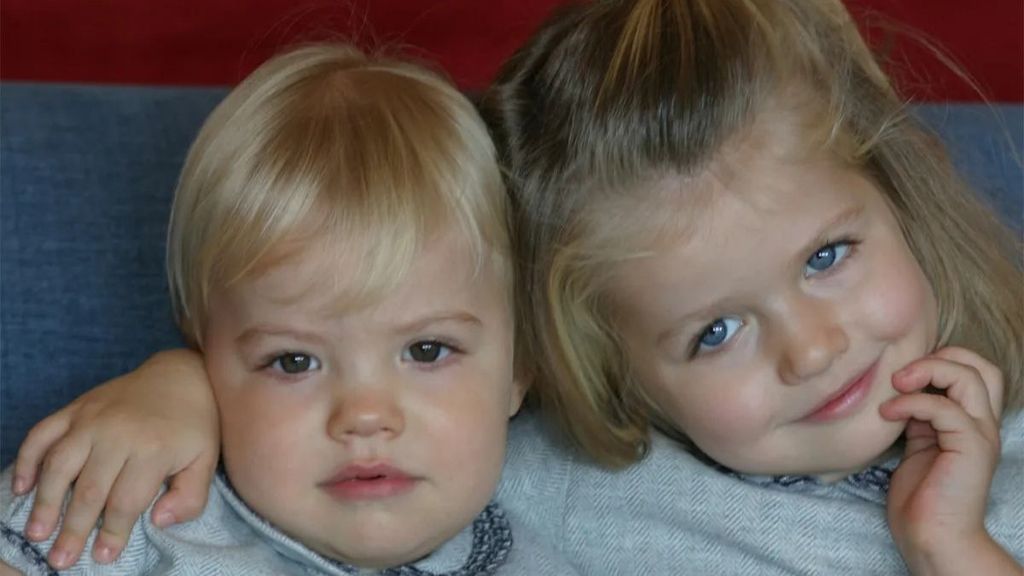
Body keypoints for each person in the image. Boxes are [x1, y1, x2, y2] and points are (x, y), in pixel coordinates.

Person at [8, 0, 1024, 574]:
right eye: (713, 330)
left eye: (827, 256)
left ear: (899, 191)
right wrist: (184, 383)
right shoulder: (570, 483)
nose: (811, 350)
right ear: (592, 369)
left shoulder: (1007, 464)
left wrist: (953, 546)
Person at [0, 41, 576, 575]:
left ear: (521, 365)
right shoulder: (151, 511)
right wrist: (172, 382)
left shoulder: (573, 497)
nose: (365, 415)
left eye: (427, 350)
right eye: (293, 362)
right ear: (208, 362)